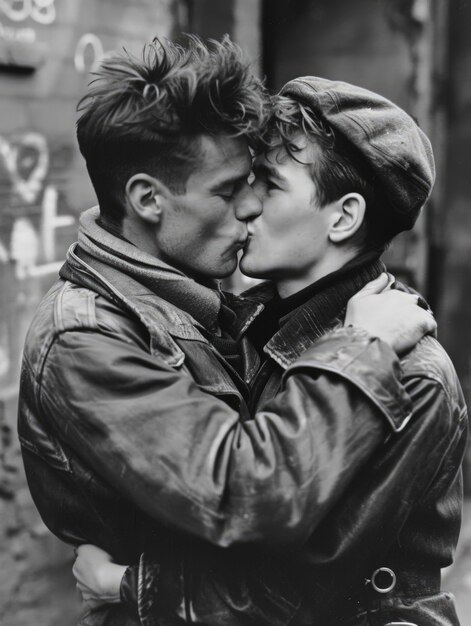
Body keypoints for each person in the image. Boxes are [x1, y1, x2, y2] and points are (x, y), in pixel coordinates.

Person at [17, 35, 435, 626]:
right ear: (147, 199)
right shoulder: (86, 337)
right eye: (229, 188)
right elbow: (247, 497)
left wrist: (127, 585)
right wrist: (361, 349)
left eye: (261, 183)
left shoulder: (211, 307)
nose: (249, 207)